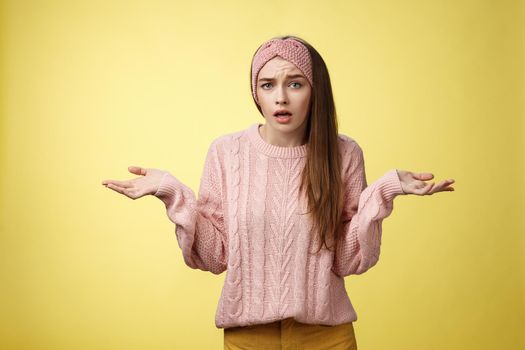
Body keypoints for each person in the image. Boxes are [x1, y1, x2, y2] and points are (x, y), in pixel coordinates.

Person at [101, 35, 455, 350]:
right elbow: (215, 255)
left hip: (326, 336)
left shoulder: (344, 154)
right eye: (268, 85)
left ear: (315, 89)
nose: (281, 97)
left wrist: (382, 193)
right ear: (255, 92)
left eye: (295, 84)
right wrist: (172, 193)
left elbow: (347, 260)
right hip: (248, 337)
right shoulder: (226, 153)